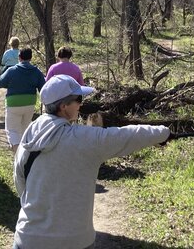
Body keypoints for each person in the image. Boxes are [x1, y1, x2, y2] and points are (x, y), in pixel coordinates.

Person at [13, 75, 171, 249]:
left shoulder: (30, 134)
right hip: (73, 241)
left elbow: (20, 182)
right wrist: (163, 133)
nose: (81, 104)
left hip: (27, 238)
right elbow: (127, 136)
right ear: (63, 106)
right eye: (78, 99)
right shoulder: (85, 139)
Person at [0, 48, 46, 152]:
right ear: (31, 58)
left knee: (12, 130)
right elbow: (43, 87)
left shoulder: (12, 70)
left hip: (13, 103)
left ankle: (17, 154)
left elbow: (1, 82)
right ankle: (25, 152)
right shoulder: (36, 71)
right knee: (25, 128)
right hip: (30, 103)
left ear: (19, 57)